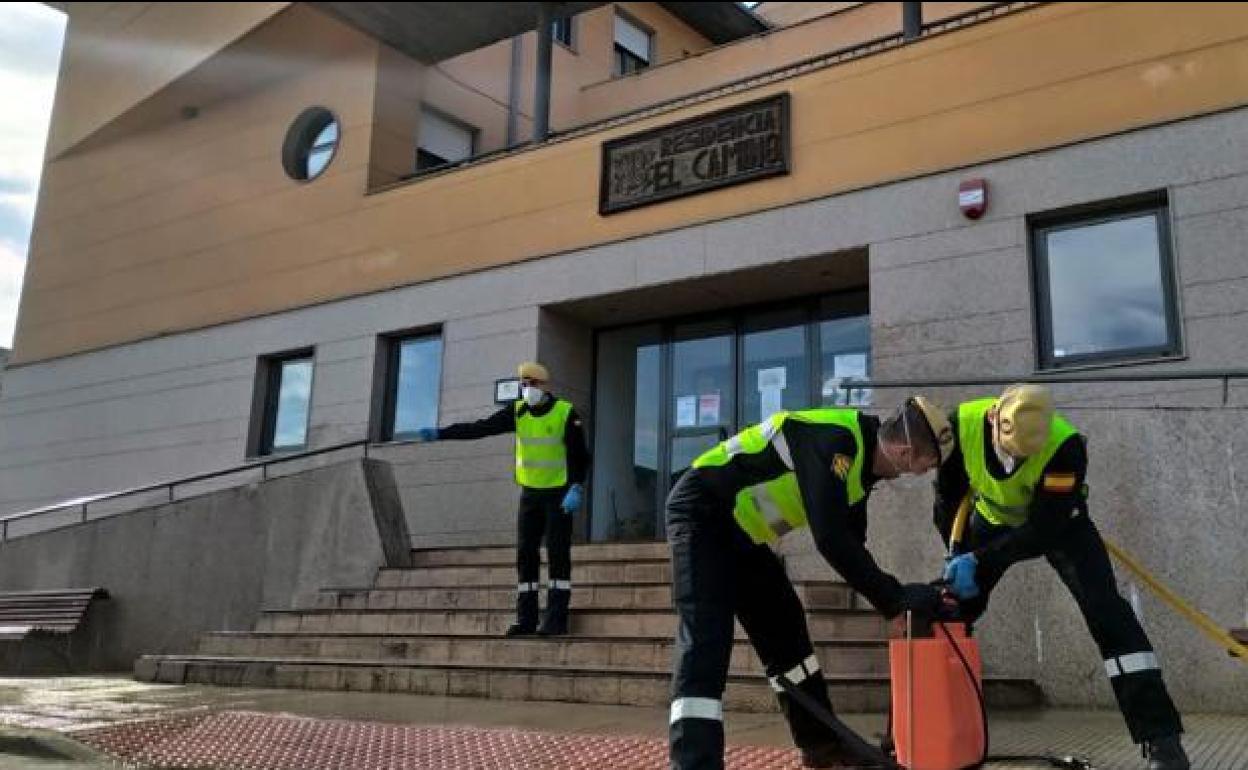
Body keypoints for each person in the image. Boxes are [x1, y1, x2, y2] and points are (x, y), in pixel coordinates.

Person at [666, 398, 956, 770]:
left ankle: (822, 747)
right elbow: (831, 538)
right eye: (927, 464)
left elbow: (854, 549)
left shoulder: (859, 470)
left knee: (786, 630)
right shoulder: (835, 439)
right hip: (700, 511)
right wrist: (894, 601)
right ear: (906, 451)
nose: (925, 473)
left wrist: (896, 603)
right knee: (706, 635)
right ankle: (693, 762)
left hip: (742, 533)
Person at [935, 384, 1188, 770]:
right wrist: (955, 555)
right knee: (949, 610)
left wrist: (980, 558)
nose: (1018, 461)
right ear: (993, 420)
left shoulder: (1066, 445)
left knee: (1108, 613)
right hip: (990, 523)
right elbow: (948, 497)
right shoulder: (962, 423)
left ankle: (1163, 741)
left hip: (1061, 526)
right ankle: (922, 727)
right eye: (1011, 451)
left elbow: (1044, 528)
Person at [415, 361, 590, 637]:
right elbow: (480, 428)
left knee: (557, 554)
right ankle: (527, 619)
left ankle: (556, 619)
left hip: (558, 494)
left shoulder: (565, 412)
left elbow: (581, 456)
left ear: (543, 386)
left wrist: (576, 487)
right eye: (524, 384)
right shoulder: (517, 411)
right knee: (525, 555)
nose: (527, 389)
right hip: (530, 494)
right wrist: (442, 433)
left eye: (532, 384)